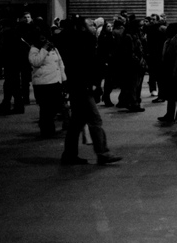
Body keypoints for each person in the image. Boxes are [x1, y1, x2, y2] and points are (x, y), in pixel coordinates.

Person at [58, 17, 122, 166]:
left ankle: (69, 155)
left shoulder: (77, 41)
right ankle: (102, 153)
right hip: (82, 87)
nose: (94, 27)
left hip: (79, 86)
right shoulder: (81, 42)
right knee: (94, 119)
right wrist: (91, 83)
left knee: (77, 123)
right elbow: (84, 66)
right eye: (90, 25)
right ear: (81, 28)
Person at [27, 24, 67, 138]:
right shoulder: (34, 49)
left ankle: (49, 127)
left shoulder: (53, 47)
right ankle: (46, 130)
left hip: (55, 82)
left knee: (54, 107)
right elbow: (35, 62)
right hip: (42, 83)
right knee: (45, 108)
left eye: (45, 37)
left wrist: (64, 79)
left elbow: (60, 63)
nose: (44, 39)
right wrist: (43, 49)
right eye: (41, 37)